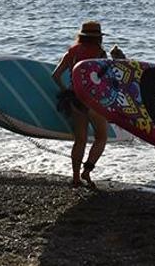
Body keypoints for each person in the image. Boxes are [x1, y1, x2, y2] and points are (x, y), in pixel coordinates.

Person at [52, 21, 124, 189]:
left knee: (80, 140)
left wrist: (67, 92)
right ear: (98, 37)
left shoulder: (72, 51)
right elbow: (110, 76)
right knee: (101, 138)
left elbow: (55, 75)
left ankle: (76, 178)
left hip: (75, 100)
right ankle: (87, 171)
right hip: (95, 102)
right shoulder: (100, 53)